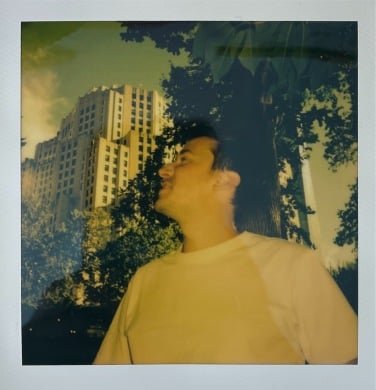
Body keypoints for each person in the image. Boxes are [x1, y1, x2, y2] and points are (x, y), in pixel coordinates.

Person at [94, 127, 358, 365]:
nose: (164, 170)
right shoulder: (144, 281)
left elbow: (354, 378)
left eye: (183, 159)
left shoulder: (292, 265)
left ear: (223, 180)